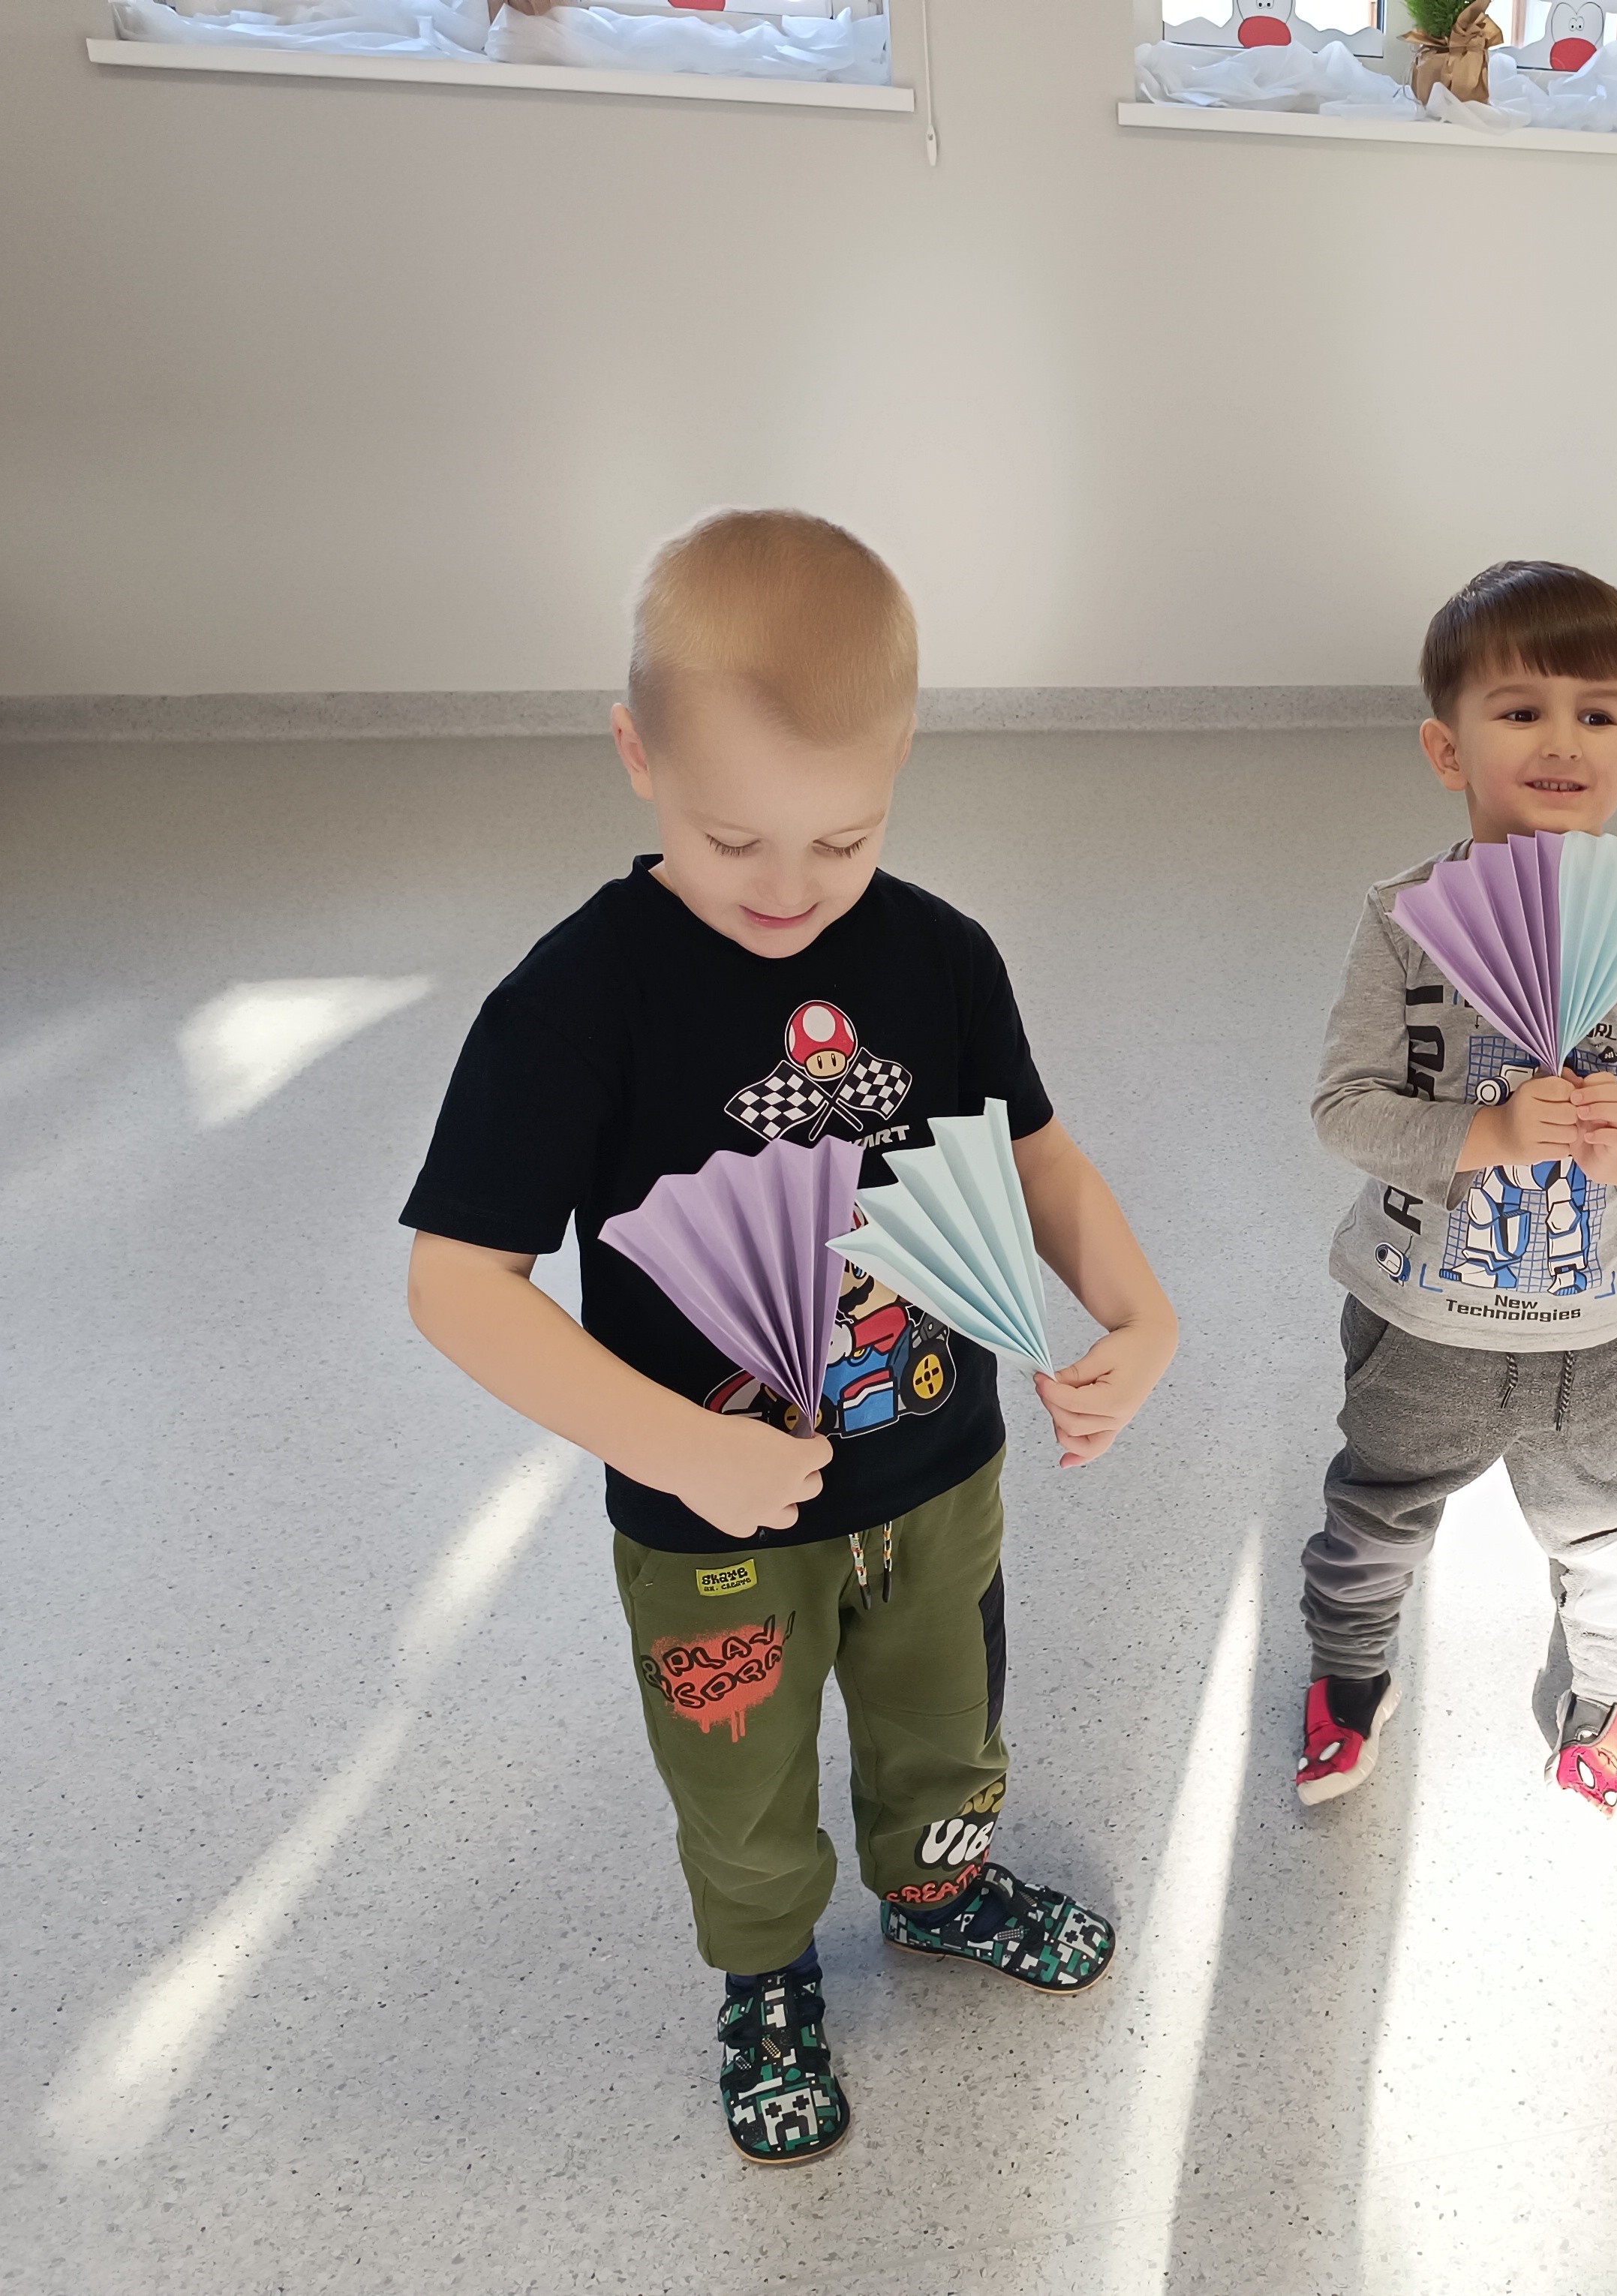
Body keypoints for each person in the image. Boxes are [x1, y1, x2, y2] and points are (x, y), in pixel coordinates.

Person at [401, 509, 1177, 2163]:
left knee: (946, 1719)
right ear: (637, 755)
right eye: (732, 836)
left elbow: (1034, 1155)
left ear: (898, 764)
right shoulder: (576, 1003)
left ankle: (939, 1885)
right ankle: (765, 1973)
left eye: (845, 838)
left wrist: (1140, 1305)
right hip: (711, 1526)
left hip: (937, 1467)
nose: (790, 889)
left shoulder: (940, 954)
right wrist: (680, 1447)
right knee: (740, 1777)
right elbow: (456, 1284)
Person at [1295, 560, 1617, 1817]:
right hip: (1417, 1321)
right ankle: (1347, 1674)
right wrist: (1484, 1130)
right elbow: (1344, 1110)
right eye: (1520, 710)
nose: (1561, 740)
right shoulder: (1403, 921)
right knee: (1375, 1514)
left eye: (1597, 714)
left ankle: (1612, 1688)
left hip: (1587, 1337)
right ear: (1449, 747)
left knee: (1603, 1527)